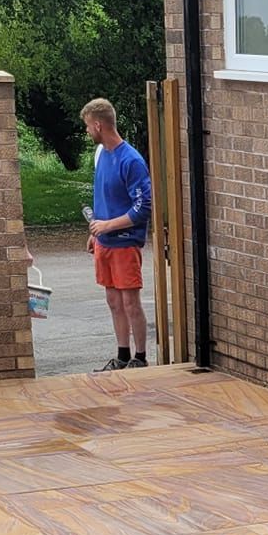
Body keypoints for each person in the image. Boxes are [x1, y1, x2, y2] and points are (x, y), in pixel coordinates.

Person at [81, 98, 151, 370]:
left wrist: (108, 226)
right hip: (104, 240)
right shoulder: (101, 155)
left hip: (124, 242)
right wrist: (96, 231)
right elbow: (101, 196)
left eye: (88, 126)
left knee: (130, 301)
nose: (87, 132)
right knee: (113, 300)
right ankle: (122, 354)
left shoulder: (131, 160)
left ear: (98, 125)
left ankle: (140, 357)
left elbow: (142, 207)